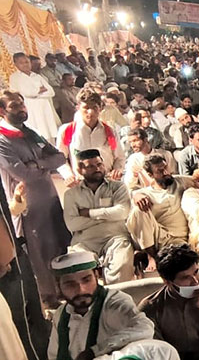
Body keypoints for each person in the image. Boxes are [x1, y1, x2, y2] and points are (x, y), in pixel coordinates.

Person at [0, 90, 73, 307]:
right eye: (15, 106)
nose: (22, 109)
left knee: (59, 244)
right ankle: (49, 299)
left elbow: (60, 156)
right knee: (39, 253)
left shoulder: (30, 133)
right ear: (2, 111)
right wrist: (42, 165)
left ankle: (65, 291)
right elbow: (22, 175)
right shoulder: (3, 141)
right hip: (28, 205)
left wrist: (38, 164)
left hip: (49, 198)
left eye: (22, 104)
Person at [47, 251, 179, 360]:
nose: (81, 290)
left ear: (96, 275)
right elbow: (54, 356)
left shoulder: (114, 303)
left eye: (86, 280)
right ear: (58, 286)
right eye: (70, 284)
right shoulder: (61, 315)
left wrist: (95, 352)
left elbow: (144, 328)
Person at [139, 244, 199, 360]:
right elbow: (157, 353)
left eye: (196, 272)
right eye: (185, 278)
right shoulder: (151, 308)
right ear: (167, 282)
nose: (195, 281)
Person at [62, 149, 135, 284]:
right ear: (80, 170)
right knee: (78, 271)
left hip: (115, 238)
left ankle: (116, 301)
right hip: (84, 242)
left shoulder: (118, 187)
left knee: (122, 265)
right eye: (91, 166)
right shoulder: (71, 194)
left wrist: (89, 213)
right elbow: (72, 224)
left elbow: (122, 212)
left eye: (99, 164)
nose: (97, 169)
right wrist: (107, 214)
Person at [126, 154, 191, 273]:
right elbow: (133, 199)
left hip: (179, 238)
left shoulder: (180, 181)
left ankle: (143, 254)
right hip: (158, 237)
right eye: (160, 171)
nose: (166, 172)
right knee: (138, 210)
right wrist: (136, 195)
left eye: (166, 168)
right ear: (150, 175)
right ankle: (150, 256)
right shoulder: (144, 193)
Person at [57, 88, 125, 179]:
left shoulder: (109, 131)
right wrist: (69, 176)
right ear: (78, 108)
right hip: (81, 183)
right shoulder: (67, 130)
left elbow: (119, 158)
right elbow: (60, 159)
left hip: (106, 181)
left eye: (94, 108)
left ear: (100, 108)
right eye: (86, 108)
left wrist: (117, 171)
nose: (90, 112)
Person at [9, 53, 60, 142]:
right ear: (15, 64)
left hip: (44, 108)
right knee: (37, 133)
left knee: (49, 133)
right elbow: (27, 93)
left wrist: (37, 93)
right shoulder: (15, 77)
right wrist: (40, 90)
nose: (25, 64)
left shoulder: (37, 76)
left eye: (27, 62)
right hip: (31, 109)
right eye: (21, 62)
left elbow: (51, 92)